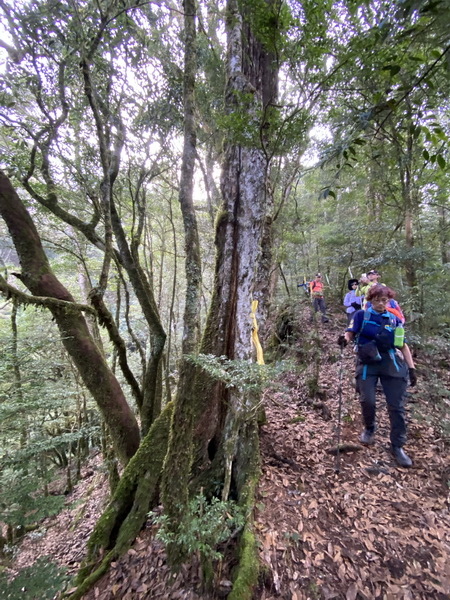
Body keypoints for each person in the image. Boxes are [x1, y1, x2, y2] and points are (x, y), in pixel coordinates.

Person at [337, 284, 417, 468]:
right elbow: (350, 333)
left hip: (390, 362)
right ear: (371, 299)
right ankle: (369, 427)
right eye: (378, 300)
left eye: (385, 300)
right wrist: (345, 340)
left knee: (396, 406)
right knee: (368, 400)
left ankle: (397, 446)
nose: (382, 303)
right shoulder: (361, 316)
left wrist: (411, 368)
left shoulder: (394, 320)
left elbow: (402, 345)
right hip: (367, 361)